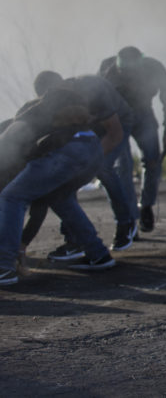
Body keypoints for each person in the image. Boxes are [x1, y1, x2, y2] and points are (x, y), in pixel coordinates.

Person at [0, 82, 121, 285]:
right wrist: (23, 242)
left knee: (12, 197)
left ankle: (3, 267)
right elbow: (40, 201)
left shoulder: (20, 123)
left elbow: (6, 147)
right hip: (92, 149)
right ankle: (98, 254)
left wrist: (21, 243)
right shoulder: (49, 115)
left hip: (67, 152)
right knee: (59, 198)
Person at [32, 71, 138, 256]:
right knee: (68, 175)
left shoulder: (93, 91)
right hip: (89, 128)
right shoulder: (56, 101)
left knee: (103, 168)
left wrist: (90, 161)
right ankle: (74, 240)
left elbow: (115, 133)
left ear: (63, 85)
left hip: (118, 123)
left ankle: (126, 222)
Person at [98, 46, 166, 233]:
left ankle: (146, 206)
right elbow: (97, 102)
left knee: (152, 161)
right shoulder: (106, 70)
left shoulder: (153, 68)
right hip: (117, 119)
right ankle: (130, 218)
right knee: (122, 166)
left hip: (143, 114)